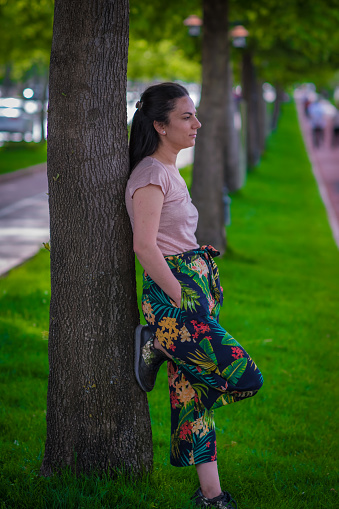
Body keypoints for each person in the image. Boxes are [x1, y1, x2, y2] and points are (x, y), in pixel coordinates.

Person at [125, 82, 263, 509]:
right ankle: (156, 340)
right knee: (244, 376)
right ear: (160, 126)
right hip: (174, 302)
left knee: (194, 396)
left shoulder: (167, 170)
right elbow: (145, 246)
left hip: (189, 293)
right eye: (186, 116)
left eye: (194, 114)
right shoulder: (149, 175)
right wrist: (181, 294)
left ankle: (212, 497)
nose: (196, 123)